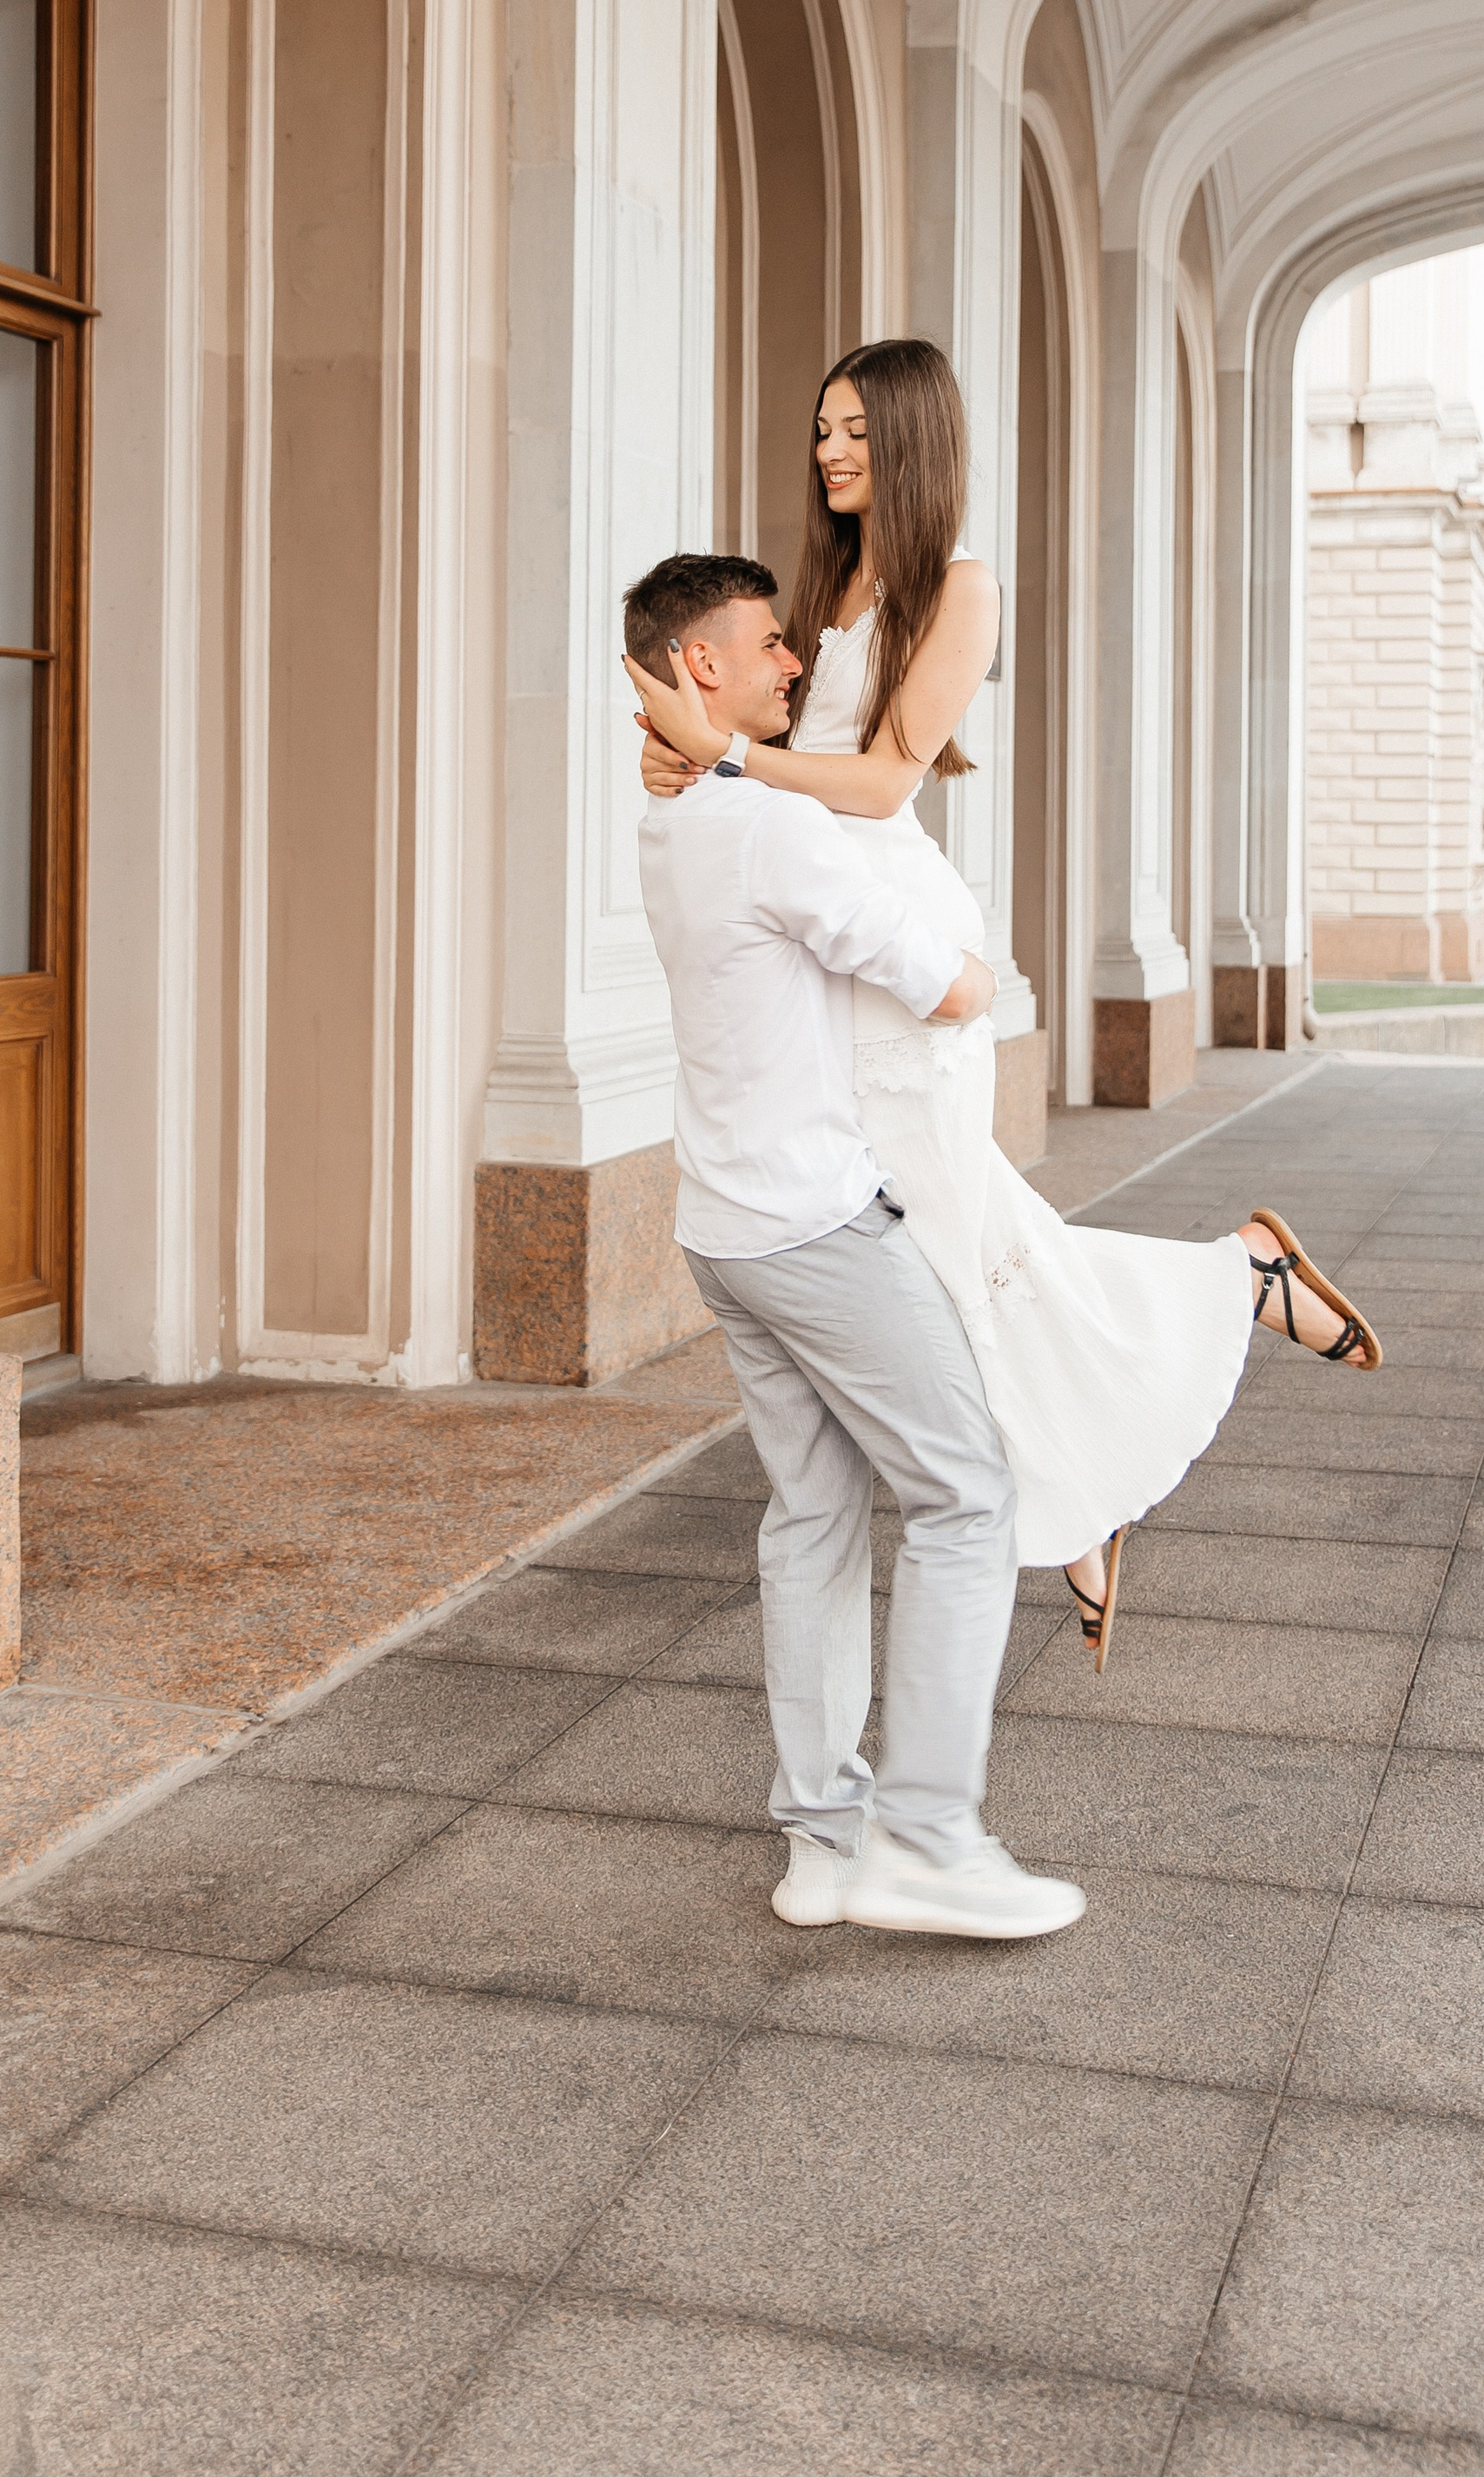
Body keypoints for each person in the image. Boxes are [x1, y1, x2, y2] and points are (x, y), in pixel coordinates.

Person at [629, 337, 1378, 1669]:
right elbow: (770, 753)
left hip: (897, 931)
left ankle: (1129, 1417)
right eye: (819, 429)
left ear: (914, 435)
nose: (830, 451)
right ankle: (1172, 1369)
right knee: (952, 1239)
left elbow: (879, 785)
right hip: (820, 930)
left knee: (939, 1246)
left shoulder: (958, 587)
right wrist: (686, 768)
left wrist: (726, 759)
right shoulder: (825, 582)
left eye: (855, 427)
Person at [629, 548, 1086, 1942]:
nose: (797, 667)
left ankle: (820, 1837)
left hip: (722, 1227)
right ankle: (930, 1837)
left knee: (814, 1519)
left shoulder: (675, 816)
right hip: (818, 1226)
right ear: (703, 666)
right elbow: (956, 988)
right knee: (964, 1497)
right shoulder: (774, 827)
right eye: (770, 647)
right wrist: (970, 963)